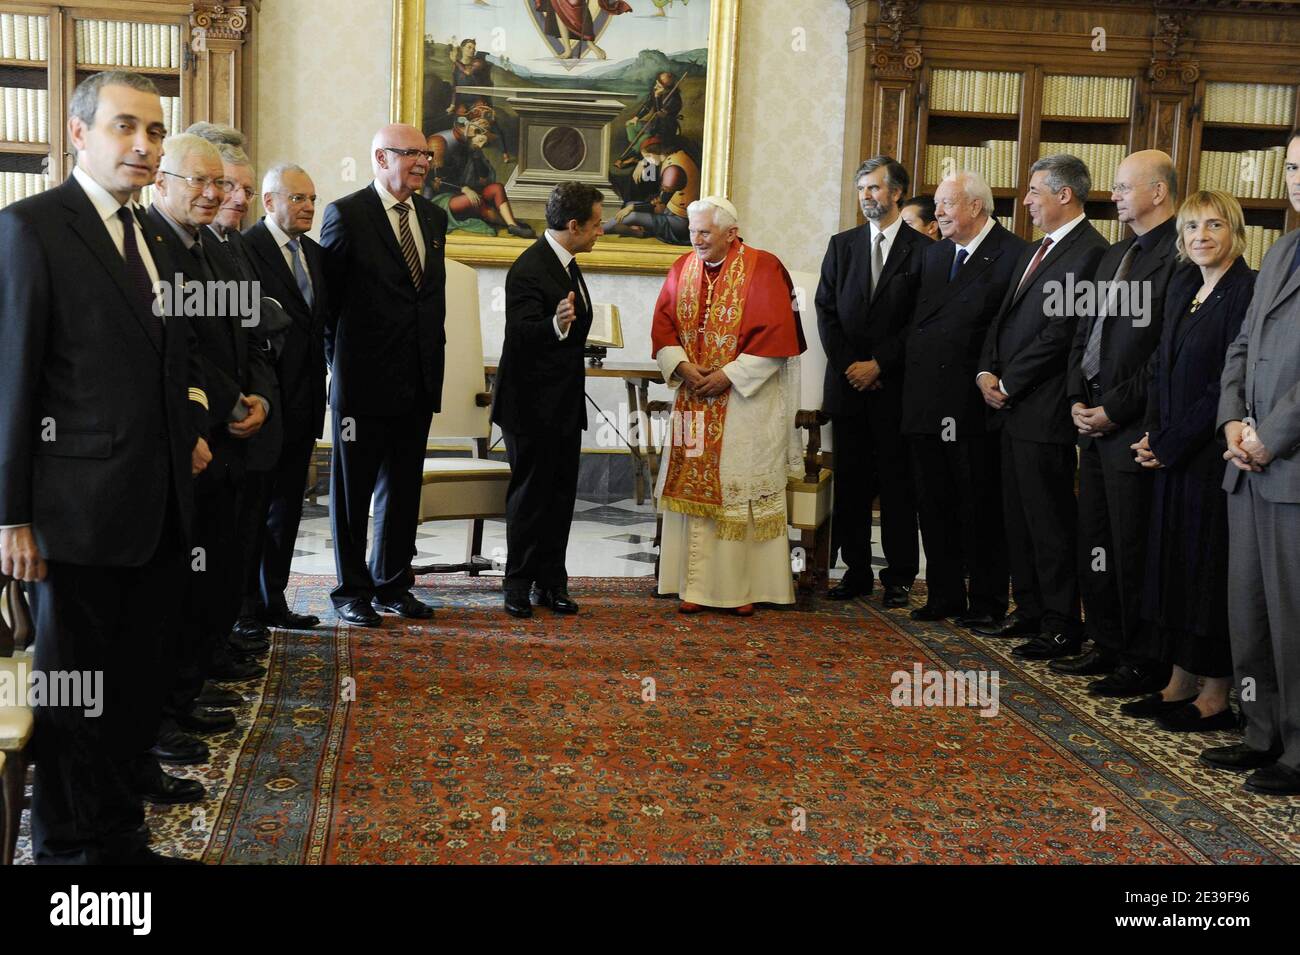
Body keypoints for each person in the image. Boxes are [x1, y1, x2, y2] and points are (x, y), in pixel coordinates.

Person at [0, 71, 208, 863]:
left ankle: (119, 834)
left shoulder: (154, 235)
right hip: (74, 517)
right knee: (74, 697)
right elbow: (12, 379)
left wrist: (187, 425)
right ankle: (66, 852)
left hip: (158, 510)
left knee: (132, 693)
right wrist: (9, 513)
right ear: (79, 132)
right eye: (127, 127)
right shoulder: (30, 227)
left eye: (156, 132)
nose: (146, 146)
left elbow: (173, 357)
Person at [144, 133, 276, 780]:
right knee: (178, 590)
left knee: (210, 577)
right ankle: (163, 715)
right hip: (189, 435)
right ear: (161, 182)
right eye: (198, 182)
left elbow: (241, 333)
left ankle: (183, 697)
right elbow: (182, 351)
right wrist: (219, 407)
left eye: (217, 184)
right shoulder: (154, 244)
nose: (213, 193)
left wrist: (251, 399)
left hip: (222, 428)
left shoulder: (207, 247)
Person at [1126, 190, 1254, 733]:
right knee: (1173, 567)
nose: (1201, 236)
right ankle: (1179, 682)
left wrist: (1173, 443)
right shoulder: (1185, 287)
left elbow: (1225, 386)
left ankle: (1216, 695)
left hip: (1209, 459)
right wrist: (1153, 433)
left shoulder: (1245, 291)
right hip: (1172, 453)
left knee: (1206, 573)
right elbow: (1159, 364)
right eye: (1192, 226)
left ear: (1236, 232)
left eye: (1214, 225)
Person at [975, 154, 1107, 658]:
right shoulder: (1037, 248)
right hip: (1009, 407)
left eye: (1033, 192)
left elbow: (1063, 334)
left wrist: (1010, 380)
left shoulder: (1090, 251)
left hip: (1045, 409)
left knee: (1050, 522)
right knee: (1019, 518)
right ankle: (1029, 610)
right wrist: (986, 372)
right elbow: (1002, 320)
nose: (1025, 201)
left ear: (1064, 195)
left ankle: (1060, 623)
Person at [652, 196, 806, 615]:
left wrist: (728, 376)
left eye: (704, 232)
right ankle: (693, 586)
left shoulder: (765, 267)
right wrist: (682, 366)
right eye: (691, 232)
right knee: (696, 489)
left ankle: (745, 590)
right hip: (692, 396)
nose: (695, 240)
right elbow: (663, 325)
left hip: (744, 401)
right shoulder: (682, 268)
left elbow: (778, 340)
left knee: (738, 490)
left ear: (730, 233)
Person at [321, 124, 447, 626]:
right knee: (353, 495)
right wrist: (341, 366)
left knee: (403, 489)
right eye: (410, 153)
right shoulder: (346, 214)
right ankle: (352, 590)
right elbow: (328, 306)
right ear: (379, 157)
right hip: (361, 382)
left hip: (417, 378)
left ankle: (393, 583)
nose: (421, 162)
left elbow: (424, 300)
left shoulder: (434, 218)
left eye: (425, 154)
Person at [1206, 128, 1300, 796]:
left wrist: (1274, 433)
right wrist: (1234, 421)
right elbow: (1240, 346)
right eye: (1293, 167)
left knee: (1294, 617)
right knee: (1250, 611)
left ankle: (1298, 749)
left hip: (1291, 470)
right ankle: (1261, 731)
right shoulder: (1284, 248)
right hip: (1246, 464)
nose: (1297, 178)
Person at [902, 171, 1026, 626]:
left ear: (975, 206)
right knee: (933, 505)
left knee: (980, 508)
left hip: (976, 404)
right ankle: (944, 595)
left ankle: (988, 602)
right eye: (936, 204)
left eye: (946, 204)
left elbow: (1010, 330)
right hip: (926, 402)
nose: (937, 214)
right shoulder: (935, 256)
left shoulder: (1014, 255)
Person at [816, 156, 930, 606]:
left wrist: (879, 364)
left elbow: (922, 321)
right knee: (852, 484)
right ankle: (856, 572)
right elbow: (826, 312)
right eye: (861, 188)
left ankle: (899, 577)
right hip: (849, 388)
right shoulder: (841, 246)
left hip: (897, 388)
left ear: (897, 193)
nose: (867, 196)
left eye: (875, 188)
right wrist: (853, 366)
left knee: (899, 485)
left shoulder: (924, 252)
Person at [491, 182, 603, 618]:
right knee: (530, 496)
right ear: (573, 225)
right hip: (530, 405)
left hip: (562, 403)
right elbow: (518, 334)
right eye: (595, 225)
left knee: (559, 495)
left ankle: (551, 582)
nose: (600, 232)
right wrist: (555, 325)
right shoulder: (529, 267)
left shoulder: (569, 264)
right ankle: (517, 583)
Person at [243, 163, 330, 632]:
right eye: (298, 198)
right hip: (264, 402)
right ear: (270, 201)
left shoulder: (315, 255)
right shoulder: (246, 249)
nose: (308, 207)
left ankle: (273, 598)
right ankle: (245, 610)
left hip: (305, 401)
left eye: (312, 199)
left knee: (286, 509)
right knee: (254, 510)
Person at [425, 117, 534, 238]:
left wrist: (476, 153)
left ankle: (512, 225)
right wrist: (464, 189)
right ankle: (508, 224)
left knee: (496, 188)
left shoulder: (468, 143)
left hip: (462, 192)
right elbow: (432, 179)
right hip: (440, 199)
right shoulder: (437, 142)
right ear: (465, 128)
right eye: (478, 133)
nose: (481, 140)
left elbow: (483, 177)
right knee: (477, 201)